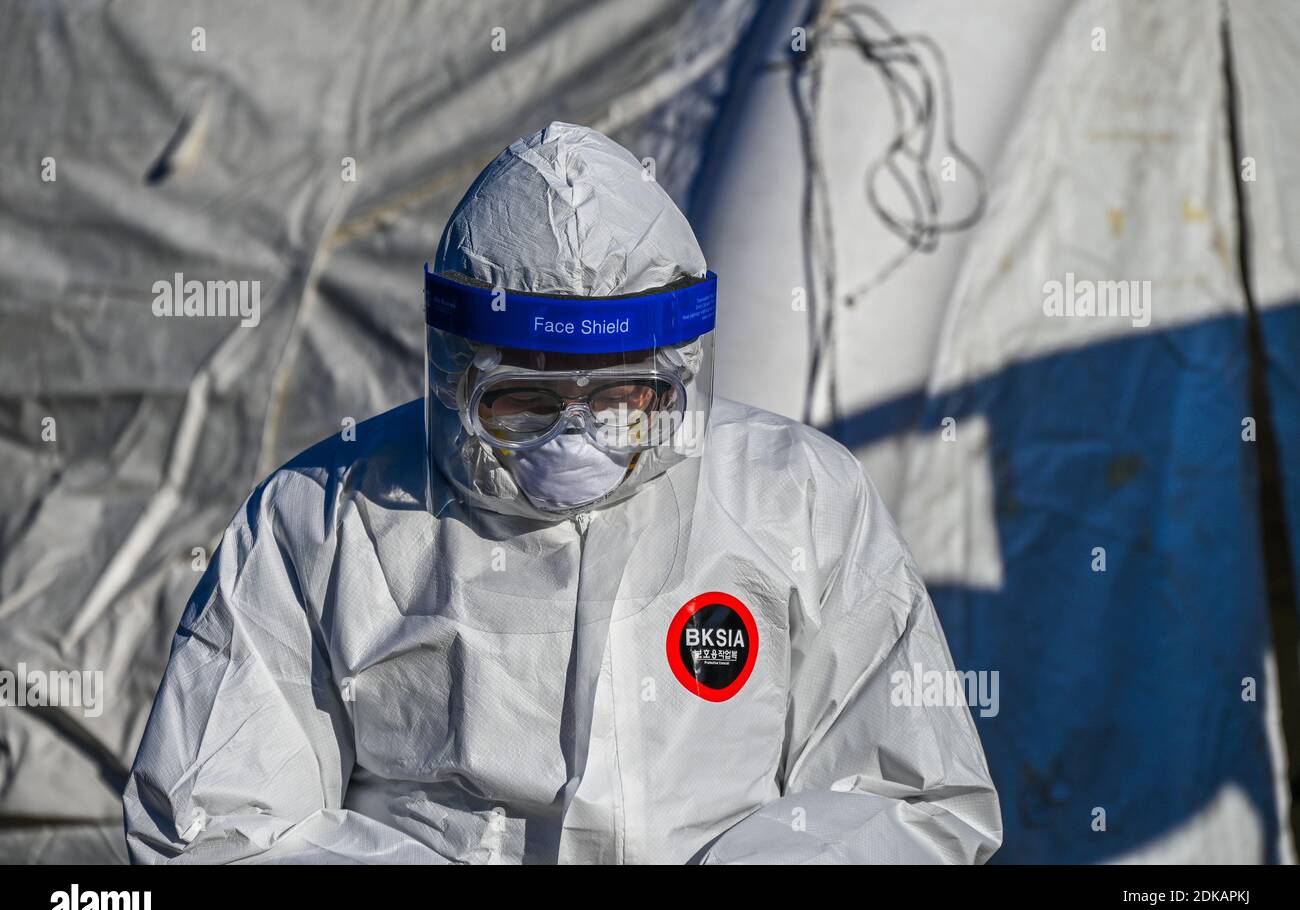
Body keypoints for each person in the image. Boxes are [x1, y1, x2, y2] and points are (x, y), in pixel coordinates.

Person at [124, 122, 1001, 864]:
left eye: (622, 399)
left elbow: (911, 802)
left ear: (679, 377)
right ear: (455, 380)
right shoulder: (326, 518)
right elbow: (216, 826)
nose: (573, 436)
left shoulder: (796, 499)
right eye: (525, 401)